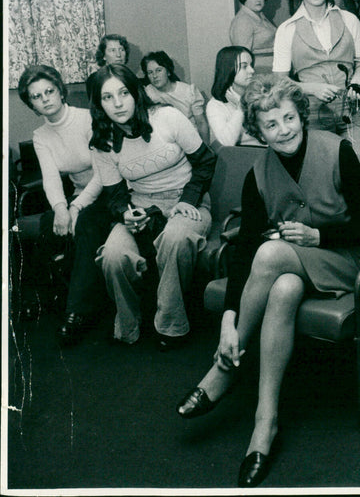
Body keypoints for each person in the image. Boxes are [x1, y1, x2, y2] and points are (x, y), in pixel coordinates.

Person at [176, 74, 360, 488]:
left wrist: (320, 236)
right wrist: (230, 315)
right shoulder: (258, 171)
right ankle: (264, 425)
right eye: (271, 124)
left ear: (301, 115)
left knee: (270, 252)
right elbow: (244, 248)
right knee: (282, 286)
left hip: (341, 259)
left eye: (289, 118)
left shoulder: (338, 149)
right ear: (258, 131)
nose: (283, 129)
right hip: (290, 268)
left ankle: (223, 370)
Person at [87, 64, 216, 349]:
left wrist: (187, 200)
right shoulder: (102, 143)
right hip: (142, 207)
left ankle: (172, 325)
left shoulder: (168, 117)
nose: (118, 103)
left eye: (123, 92)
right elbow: (116, 195)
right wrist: (126, 214)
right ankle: (128, 327)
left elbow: (206, 161)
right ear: (98, 104)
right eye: (107, 97)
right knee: (112, 255)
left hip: (188, 200)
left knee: (175, 238)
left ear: (136, 92)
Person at [17, 65, 112, 345]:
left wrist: (75, 208)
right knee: (48, 223)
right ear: (31, 104)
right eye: (36, 96)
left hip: (109, 189)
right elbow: (50, 179)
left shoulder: (87, 119)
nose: (45, 99)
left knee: (85, 224)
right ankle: (48, 297)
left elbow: (103, 171)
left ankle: (77, 313)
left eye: (49, 91)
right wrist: (61, 208)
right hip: (80, 194)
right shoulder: (40, 136)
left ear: (60, 91)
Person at [273, 0, 360, 171]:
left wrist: (358, 81)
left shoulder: (349, 19)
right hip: (312, 115)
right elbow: (279, 82)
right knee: (323, 184)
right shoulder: (287, 29)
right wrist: (312, 89)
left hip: (353, 111)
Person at [141, 51, 210, 144]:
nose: (154, 76)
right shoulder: (147, 93)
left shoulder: (189, 91)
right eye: (150, 72)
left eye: (158, 70)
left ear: (168, 72)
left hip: (191, 138)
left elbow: (201, 123)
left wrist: (206, 150)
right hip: (165, 142)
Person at [205, 45, 262, 147]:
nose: (252, 71)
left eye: (251, 65)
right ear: (228, 69)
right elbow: (227, 142)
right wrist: (240, 107)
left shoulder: (258, 93)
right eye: (244, 66)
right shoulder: (215, 105)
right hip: (245, 155)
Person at [229, 0, 278, 73]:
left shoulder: (260, 16)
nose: (259, 0)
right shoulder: (243, 21)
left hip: (269, 71)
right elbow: (243, 57)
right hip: (257, 73)